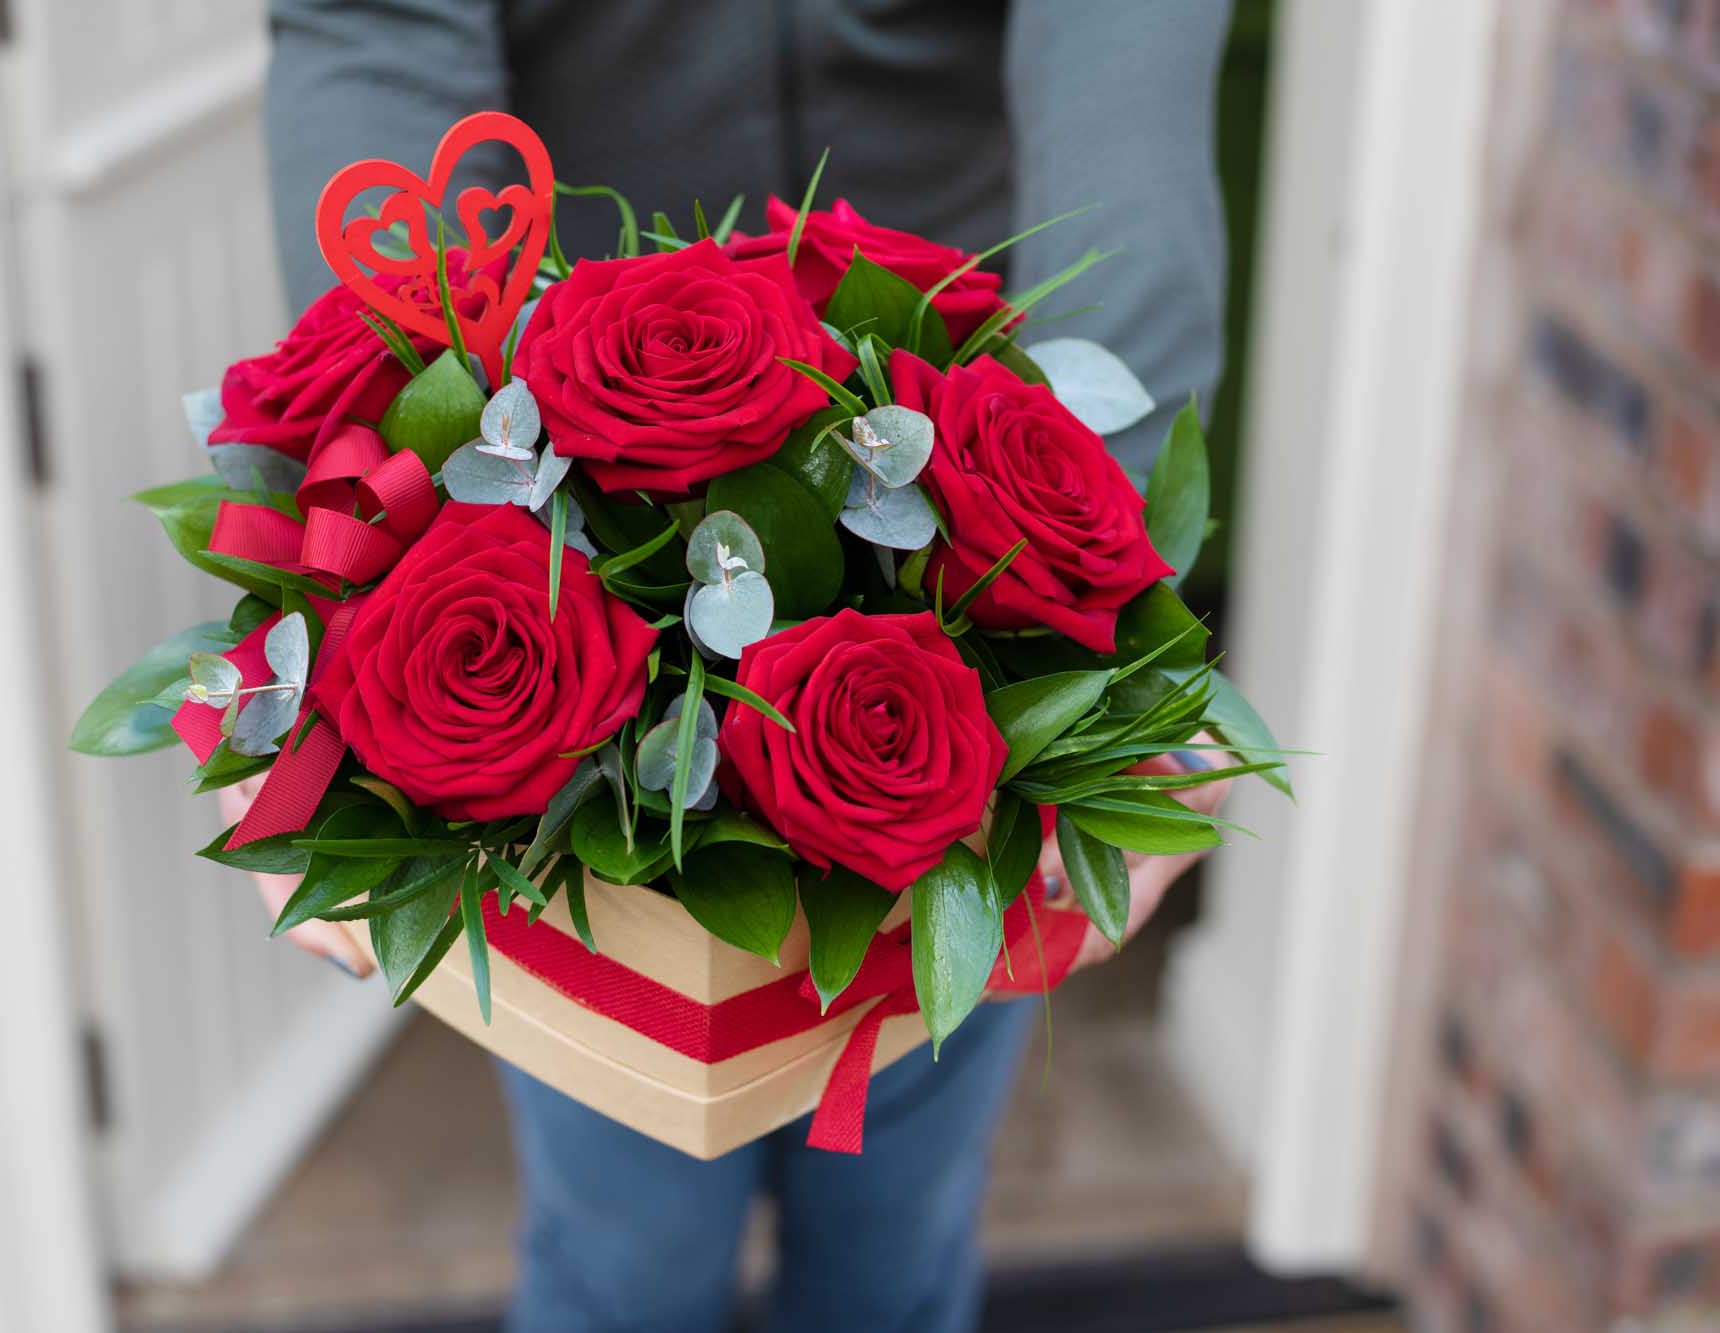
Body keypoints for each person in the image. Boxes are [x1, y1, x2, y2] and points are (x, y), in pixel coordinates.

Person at [245, 3, 1234, 1329]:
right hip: (565, 531)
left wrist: (1095, 610)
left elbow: (1122, 62)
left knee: (901, 1232)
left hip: (956, 501)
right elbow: (377, 39)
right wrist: (366, 558)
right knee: (622, 1258)